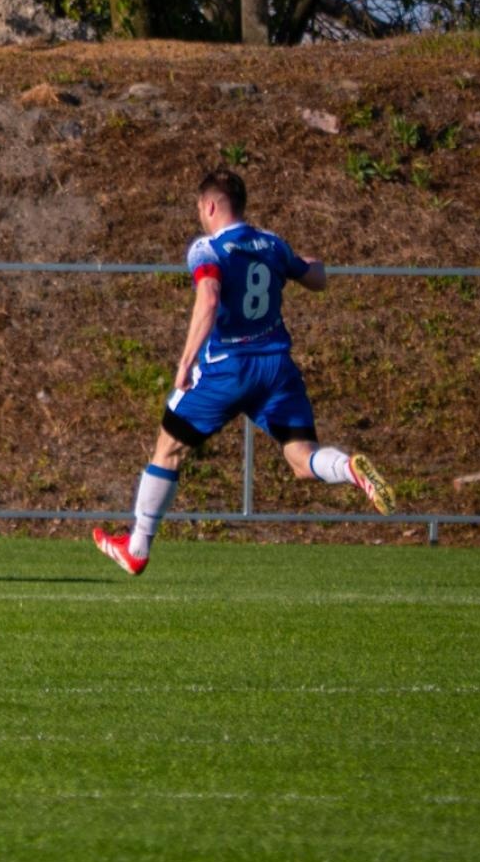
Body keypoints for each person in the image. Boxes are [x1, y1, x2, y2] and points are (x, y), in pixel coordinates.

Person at [94, 169, 394, 576]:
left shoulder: (208, 248)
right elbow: (317, 278)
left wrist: (185, 361)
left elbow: (210, 296)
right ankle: (348, 470)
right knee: (302, 459)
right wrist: (306, 263)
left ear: (211, 205)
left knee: (168, 448)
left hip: (228, 369)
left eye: (200, 207)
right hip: (276, 369)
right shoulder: (271, 243)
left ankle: (138, 547)